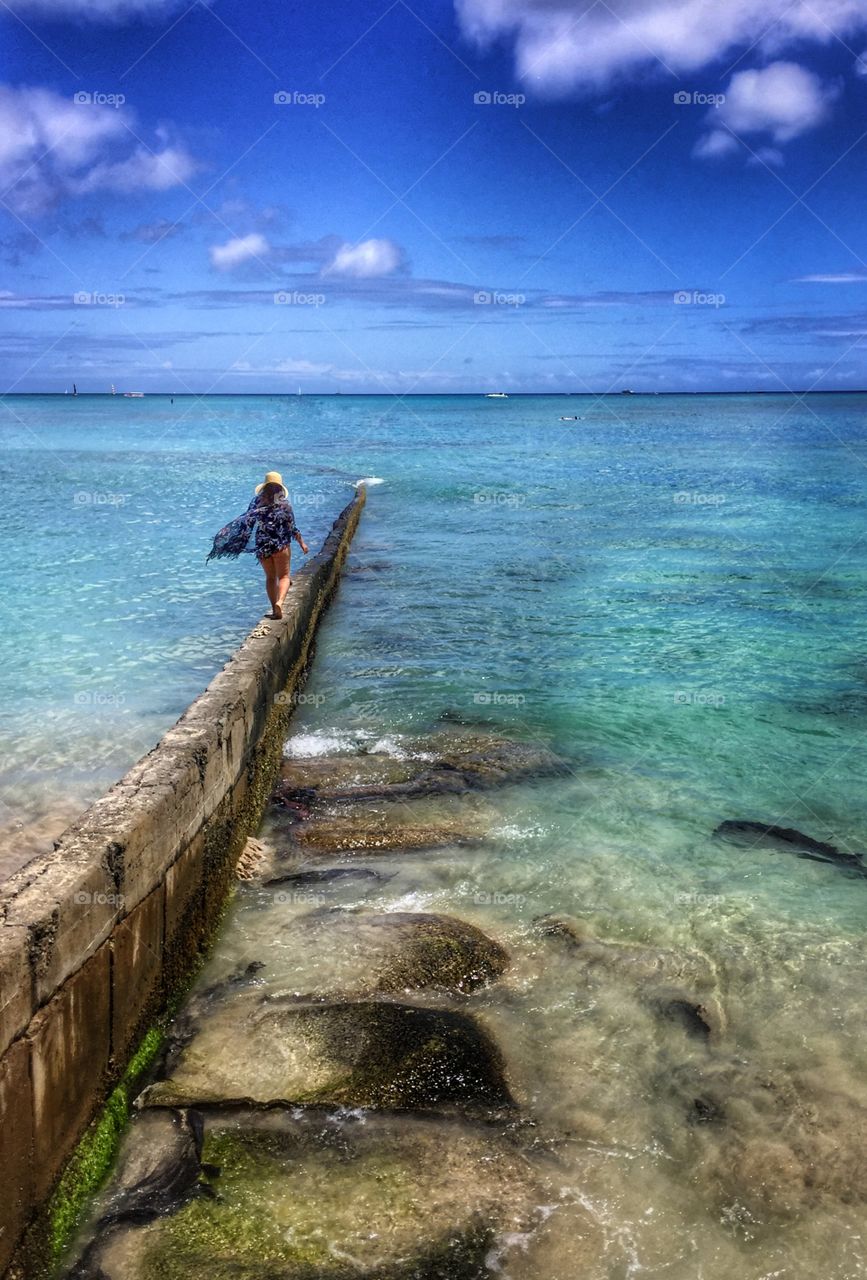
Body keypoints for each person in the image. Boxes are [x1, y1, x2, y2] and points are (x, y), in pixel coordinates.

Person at [207, 471, 309, 619]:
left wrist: (238, 540)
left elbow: (247, 520)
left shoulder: (256, 502)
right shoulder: (285, 504)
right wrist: (302, 543)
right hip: (281, 546)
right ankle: (280, 602)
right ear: (280, 488)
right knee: (285, 576)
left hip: (263, 546)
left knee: (270, 578)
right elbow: (292, 527)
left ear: (264, 486)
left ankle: (274, 609)